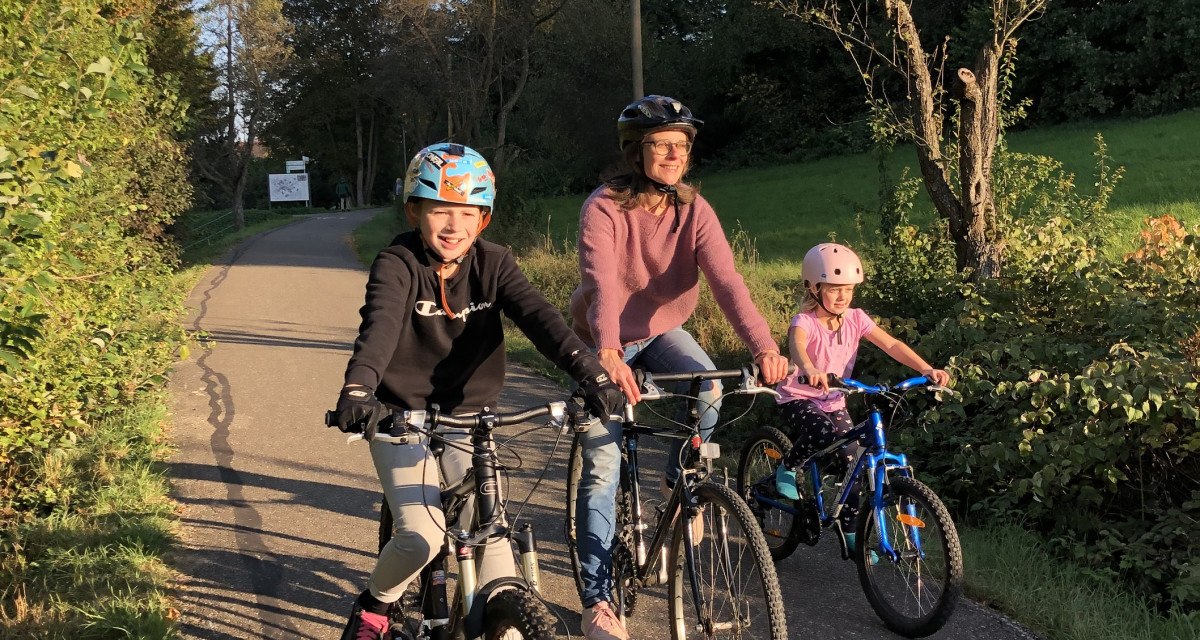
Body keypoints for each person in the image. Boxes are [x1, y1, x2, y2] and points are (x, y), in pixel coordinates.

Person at [334, 142, 623, 640]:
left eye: (467, 213)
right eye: (440, 211)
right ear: (414, 212)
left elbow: (541, 319)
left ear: (483, 218)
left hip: (471, 418)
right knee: (422, 538)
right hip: (401, 415)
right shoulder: (398, 263)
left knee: (495, 551)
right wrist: (360, 388)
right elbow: (379, 326)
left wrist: (591, 373)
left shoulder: (495, 262)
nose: (454, 226)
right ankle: (374, 607)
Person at [568, 95, 789, 640]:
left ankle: (679, 483)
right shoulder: (604, 207)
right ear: (635, 151)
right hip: (602, 339)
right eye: (661, 144)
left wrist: (764, 346)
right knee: (602, 468)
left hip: (662, 331)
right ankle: (598, 602)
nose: (674, 154)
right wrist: (608, 350)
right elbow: (602, 282)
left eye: (681, 145)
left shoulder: (694, 210)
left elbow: (728, 281)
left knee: (708, 387)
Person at [772, 242, 951, 553]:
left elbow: (891, 345)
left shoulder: (856, 318)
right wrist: (810, 368)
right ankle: (788, 465)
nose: (843, 296)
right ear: (813, 288)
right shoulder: (805, 321)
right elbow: (797, 345)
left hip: (834, 399)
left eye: (849, 289)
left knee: (853, 462)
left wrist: (925, 368)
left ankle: (851, 532)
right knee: (821, 433)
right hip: (799, 396)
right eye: (834, 289)